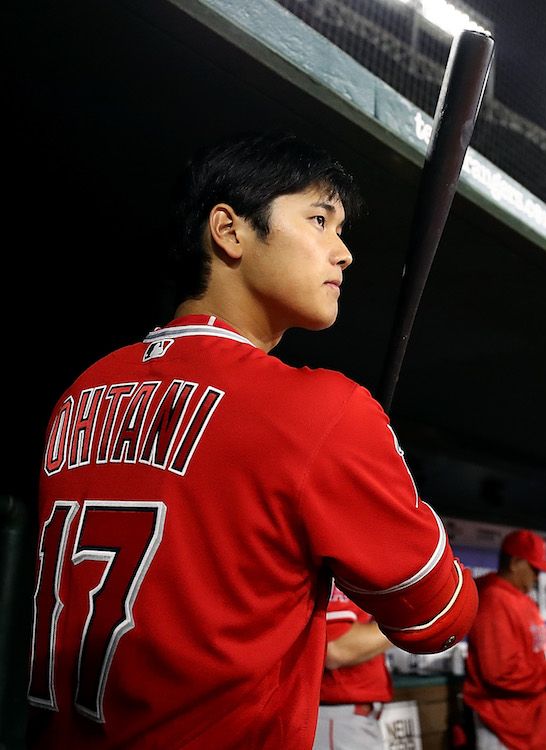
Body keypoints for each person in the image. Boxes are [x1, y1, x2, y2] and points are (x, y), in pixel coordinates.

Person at [26, 131, 478, 749]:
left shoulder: (83, 389)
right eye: (319, 219)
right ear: (230, 230)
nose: (343, 252)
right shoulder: (320, 411)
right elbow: (440, 618)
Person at [462, 529, 546, 750]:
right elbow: (501, 673)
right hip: (503, 726)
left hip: (528, 724)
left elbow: (532, 665)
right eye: (535, 568)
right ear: (516, 562)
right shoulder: (494, 599)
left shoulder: (522, 600)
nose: (538, 576)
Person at [314, 582, 395, 749]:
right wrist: (406, 626)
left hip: (351, 719)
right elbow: (335, 647)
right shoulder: (335, 571)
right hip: (335, 717)